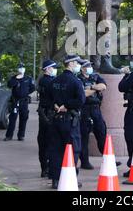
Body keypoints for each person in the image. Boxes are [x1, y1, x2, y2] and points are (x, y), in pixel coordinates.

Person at [48, 55, 85, 189]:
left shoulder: (54, 81)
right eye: (77, 63)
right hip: (70, 121)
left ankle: (56, 179)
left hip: (56, 119)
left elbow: (47, 98)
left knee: (55, 149)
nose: (78, 66)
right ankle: (70, 178)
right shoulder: (76, 82)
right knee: (72, 149)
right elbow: (81, 101)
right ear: (71, 63)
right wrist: (67, 106)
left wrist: (55, 105)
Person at [37, 59, 58, 178]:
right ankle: (46, 168)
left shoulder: (44, 80)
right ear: (47, 69)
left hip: (45, 113)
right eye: (53, 68)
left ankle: (45, 167)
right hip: (48, 114)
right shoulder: (48, 81)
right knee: (48, 141)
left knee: (44, 141)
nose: (54, 70)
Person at [4, 63, 36, 141]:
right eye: (20, 68)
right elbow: (9, 85)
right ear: (17, 69)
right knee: (12, 118)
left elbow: (32, 88)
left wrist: (26, 93)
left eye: (22, 67)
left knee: (24, 118)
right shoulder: (14, 78)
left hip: (24, 101)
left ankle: (21, 135)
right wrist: (16, 78)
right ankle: (9, 135)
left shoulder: (28, 78)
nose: (21, 69)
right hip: (15, 101)